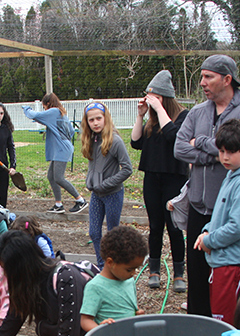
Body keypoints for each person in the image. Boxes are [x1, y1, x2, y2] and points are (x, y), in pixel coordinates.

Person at [174, 55, 240, 317]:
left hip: (225, 212)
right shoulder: (198, 112)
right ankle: (199, 327)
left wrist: (199, 142)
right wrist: (211, 156)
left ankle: (223, 330)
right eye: (202, 76)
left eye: (208, 76)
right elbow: (179, 148)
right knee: (197, 278)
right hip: (198, 209)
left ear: (227, 79)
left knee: (225, 280)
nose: (202, 82)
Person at [193, 119, 240, 324]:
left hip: (234, 262)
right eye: (221, 151)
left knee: (227, 321)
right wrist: (207, 231)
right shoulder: (232, 174)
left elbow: (238, 226)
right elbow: (221, 214)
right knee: (221, 315)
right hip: (223, 260)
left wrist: (210, 241)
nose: (224, 157)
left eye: (231, 152)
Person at [131, 71, 190, 291]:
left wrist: (159, 110)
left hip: (175, 179)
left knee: (174, 227)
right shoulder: (151, 122)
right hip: (152, 179)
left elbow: (174, 137)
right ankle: (154, 271)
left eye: (153, 96)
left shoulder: (182, 117)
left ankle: (179, 274)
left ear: (163, 98)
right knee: (155, 226)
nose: (149, 100)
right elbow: (135, 142)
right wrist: (140, 115)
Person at [82, 101, 132, 269]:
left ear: (105, 118)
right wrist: (90, 181)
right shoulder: (91, 140)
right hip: (96, 194)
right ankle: (102, 265)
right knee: (94, 232)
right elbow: (93, 166)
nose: (95, 123)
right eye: (91, 120)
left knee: (112, 232)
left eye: (98, 118)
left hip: (112, 194)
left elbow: (127, 169)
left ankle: (115, 265)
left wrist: (105, 184)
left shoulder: (115, 141)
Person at [23, 93, 88, 214]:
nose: (44, 109)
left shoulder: (53, 111)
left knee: (58, 177)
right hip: (62, 148)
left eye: (44, 107)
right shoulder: (62, 113)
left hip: (61, 149)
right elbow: (72, 131)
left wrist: (26, 108)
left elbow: (34, 115)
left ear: (48, 104)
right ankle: (58, 204)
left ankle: (80, 200)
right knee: (51, 176)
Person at [80, 225, 147, 332]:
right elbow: (85, 320)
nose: (134, 273)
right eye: (129, 270)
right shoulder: (95, 287)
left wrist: (136, 312)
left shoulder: (128, 280)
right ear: (111, 262)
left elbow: (128, 305)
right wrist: (100, 330)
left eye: (136, 269)